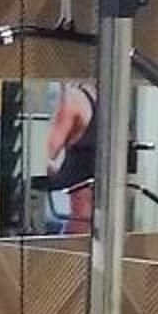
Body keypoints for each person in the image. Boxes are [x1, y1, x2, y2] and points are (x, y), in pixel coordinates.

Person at [43, 79, 99, 234]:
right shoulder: (80, 100)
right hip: (85, 224)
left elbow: (48, 153)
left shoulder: (75, 99)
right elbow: (46, 155)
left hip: (92, 222)